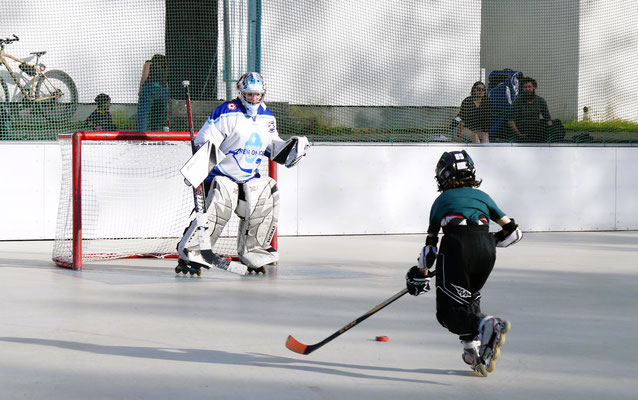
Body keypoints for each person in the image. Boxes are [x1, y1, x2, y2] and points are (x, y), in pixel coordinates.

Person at [176, 72, 309, 274]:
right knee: (220, 204)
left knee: (265, 194)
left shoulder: (267, 117)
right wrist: (200, 168)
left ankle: (253, 252)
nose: (253, 99)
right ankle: (193, 251)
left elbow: (271, 147)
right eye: (249, 94)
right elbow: (205, 139)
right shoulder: (227, 112)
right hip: (221, 175)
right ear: (241, 92)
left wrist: (291, 149)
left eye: (257, 95)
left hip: (248, 176)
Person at [405, 150, 522, 377]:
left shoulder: (441, 201)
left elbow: (430, 250)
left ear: (443, 174)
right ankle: (473, 353)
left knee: (448, 313)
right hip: (486, 251)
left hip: (456, 247)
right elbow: (514, 234)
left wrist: (421, 274)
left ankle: (485, 325)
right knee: (467, 299)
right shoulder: (484, 197)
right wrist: (487, 241)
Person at [508, 77, 564, 143]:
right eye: (525, 87)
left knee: (557, 123)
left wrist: (551, 131)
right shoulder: (517, 102)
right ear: (522, 89)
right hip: (522, 129)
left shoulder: (540, 101)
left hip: (537, 129)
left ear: (534, 87)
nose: (527, 89)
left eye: (529, 87)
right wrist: (519, 134)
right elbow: (511, 121)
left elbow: (547, 118)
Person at [137, 54, 170, 131]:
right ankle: (155, 135)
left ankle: (141, 135)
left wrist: (140, 91)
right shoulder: (164, 70)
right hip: (163, 91)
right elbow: (166, 85)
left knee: (143, 113)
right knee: (157, 116)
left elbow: (144, 77)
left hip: (151, 88)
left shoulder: (149, 64)